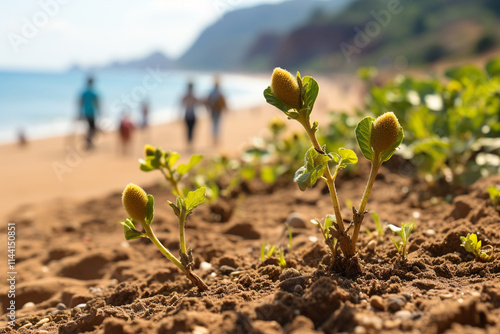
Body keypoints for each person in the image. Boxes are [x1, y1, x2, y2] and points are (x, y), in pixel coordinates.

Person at [79, 76, 100, 150]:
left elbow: (80, 103)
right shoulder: (94, 93)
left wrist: (80, 113)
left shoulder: (84, 93)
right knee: (93, 129)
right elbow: (97, 104)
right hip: (91, 113)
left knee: (90, 128)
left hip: (85, 113)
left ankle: (89, 142)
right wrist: (100, 112)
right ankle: (88, 142)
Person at [206, 77, 227, 146]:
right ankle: (216, 138)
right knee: (217, 124)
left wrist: (208, 108)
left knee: (213, 124)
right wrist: (226, 109)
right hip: (218, 110)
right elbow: (224, 102)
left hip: (213, 110)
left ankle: (214, 138)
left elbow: (208, 101)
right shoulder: (220, 92)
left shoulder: (211, 92)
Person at [181, 81, 200, 150]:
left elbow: (182, 104)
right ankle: (190, 144)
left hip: (187, 115)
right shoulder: (193, 95)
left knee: (188, 130)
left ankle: (189, 144)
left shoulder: (186, 96)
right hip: (192, 115)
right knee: (191, 130)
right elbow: (198, 104)